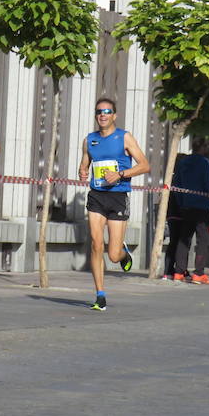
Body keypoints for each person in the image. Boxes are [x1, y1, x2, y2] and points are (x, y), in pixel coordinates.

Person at [78, 98, 150, 311]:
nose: (103, 115)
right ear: (96, 115)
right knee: (96, 244)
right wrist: (82, 171)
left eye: (107, 111)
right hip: (97, 196)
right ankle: (100, 295)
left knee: (112, 253)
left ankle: (123, 254)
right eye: (99, 111)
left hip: (118, 197)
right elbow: (84, 164)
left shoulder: (124, 137)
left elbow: (145, 165)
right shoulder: (89, 140)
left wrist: (120, 174)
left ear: (114, 115)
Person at [172, 137, 209, 284]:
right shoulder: (205, 162)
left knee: (184, 239)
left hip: (186, 205)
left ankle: (179, 272)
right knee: (202, 240)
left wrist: (182, 202)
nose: (208, 149)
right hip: (202, 206)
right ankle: (199, 273)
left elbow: (176, 184)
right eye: (207, 146)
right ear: (202, 147)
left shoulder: (183, 162)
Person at [163, 152, 189, 281]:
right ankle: (172, 269)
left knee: (175, 242)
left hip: (172, 213)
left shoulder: (173, 177)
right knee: (179, 242)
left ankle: (172, 269)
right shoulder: (180, 178)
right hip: (178, 213)